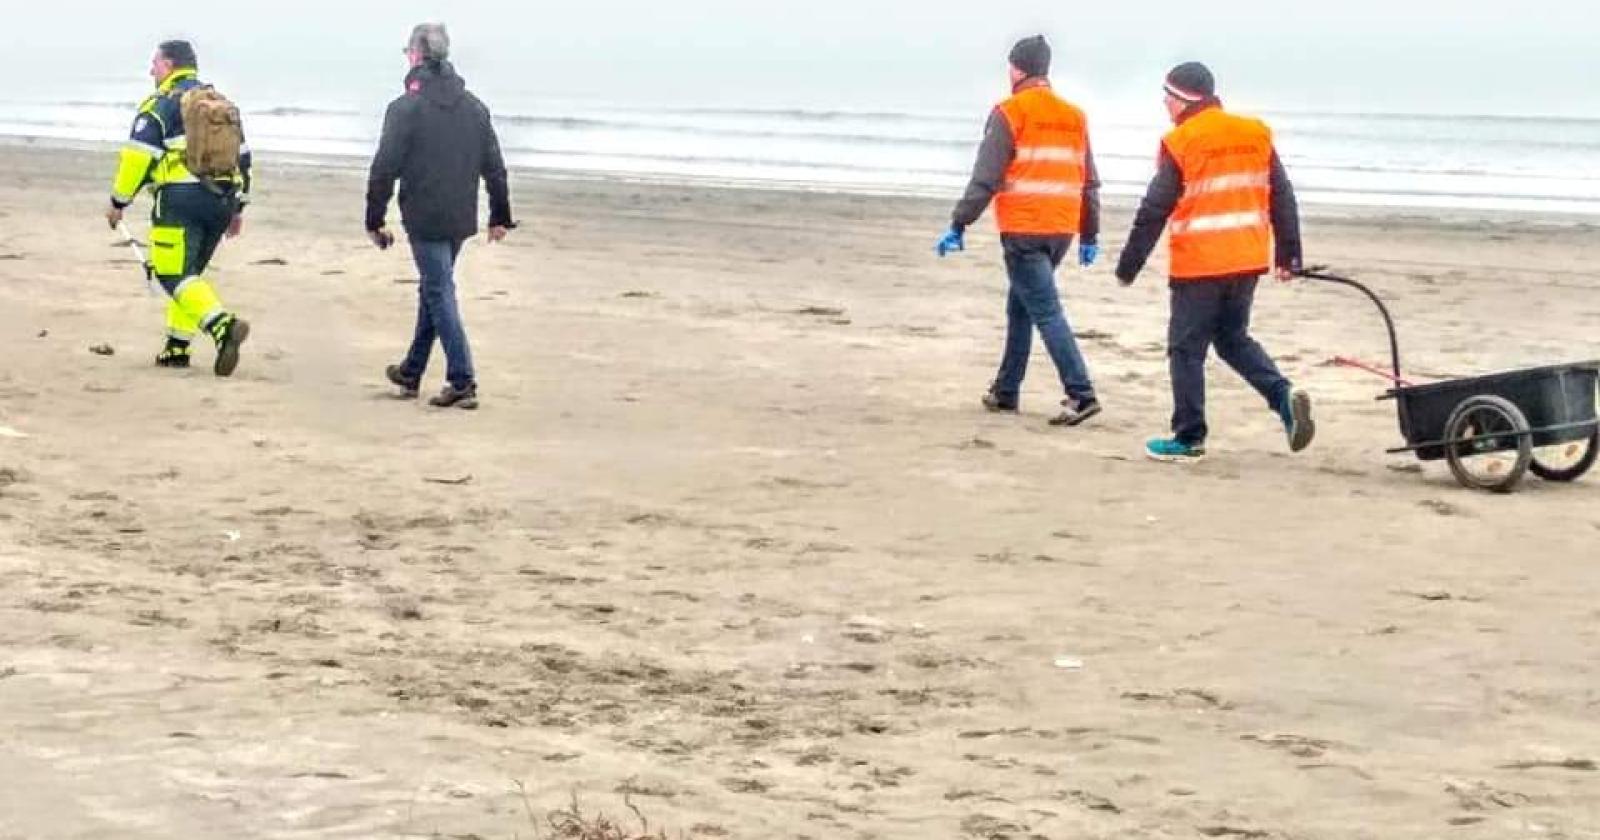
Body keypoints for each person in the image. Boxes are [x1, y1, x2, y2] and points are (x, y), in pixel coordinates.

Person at [1115, 61, 1314, 462]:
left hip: (1201, 264)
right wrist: (1288, 254)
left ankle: (1188, 437)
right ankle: (1282, 397)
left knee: (1185, 349)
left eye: (1166, 98)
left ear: (1180, 100)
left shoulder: (1182, 141)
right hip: (1247, 258)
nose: (1165, 106)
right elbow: (1282, 195)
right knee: (1232, 339)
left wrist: (1128, 265)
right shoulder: (1254, 133)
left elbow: (1155, 208)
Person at [935, 35, 1103, 427]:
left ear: (1017, 69)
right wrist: (1089, 234)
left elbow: (986, 178)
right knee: (1021, 306)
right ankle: (1006, 390)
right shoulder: (1074, 116)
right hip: (1061, 228)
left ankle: (1081, 393)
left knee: (1045, 310)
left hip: (1025, 228)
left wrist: (959, 223)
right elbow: (1089, 182)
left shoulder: (1010, 112)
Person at [367, 23, 515, 410]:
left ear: (416, 55)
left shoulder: (405, 109)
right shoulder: (475, 108)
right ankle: (411, 370)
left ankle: (462, 379)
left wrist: (374, 218)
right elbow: (494, 167)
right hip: (459, 216)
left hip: (425, 214)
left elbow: (384, 167)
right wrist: (500, 214)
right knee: (434, 287)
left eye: (407, 52)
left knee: (438, 290)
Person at [105, 40, 252, 376]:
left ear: (170, 65)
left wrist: (118, 202)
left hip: (180, 200)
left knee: (172, 273)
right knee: (190, 277)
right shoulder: (221, 105)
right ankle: (176, 347)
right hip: (222, 199)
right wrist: (239, 207)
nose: (151, 70)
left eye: (154, 63)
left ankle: (223, 327)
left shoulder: (161, 104)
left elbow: (137, 157)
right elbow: (243, 157)